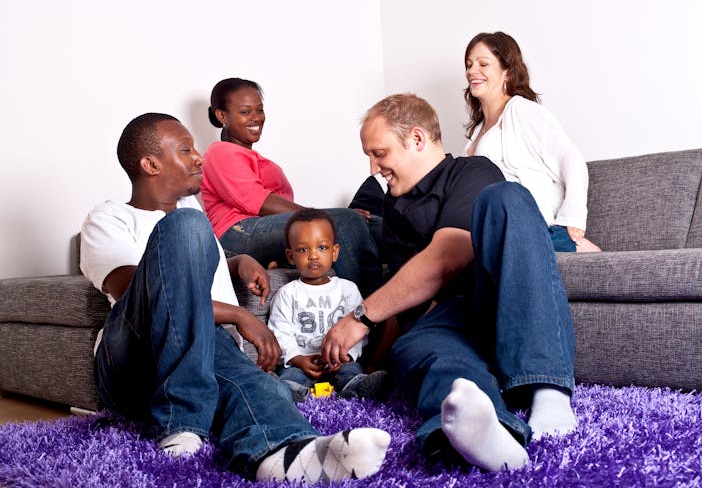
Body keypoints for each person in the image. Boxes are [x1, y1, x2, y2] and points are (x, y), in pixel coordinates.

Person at [79, 112, 389, 484]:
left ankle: (284, 455)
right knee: (185, 226)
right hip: (133, 363)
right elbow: (153, 298)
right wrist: (241, 316)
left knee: (255, 381)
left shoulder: (194, 216)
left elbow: (189, 273)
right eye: (186, 150)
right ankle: (182, 424)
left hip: (207, 353)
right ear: (150, 164)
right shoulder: (109, 219)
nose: (199, 158)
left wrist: (236, 261)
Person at [321, 94, 577, 472]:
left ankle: (549, 394)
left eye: (380, 153)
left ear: (418, 139)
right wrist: (373, 365)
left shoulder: (473, 172)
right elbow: (401, 293)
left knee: (506, 197)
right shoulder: (394, 203)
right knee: (431, 358)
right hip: (439, 324)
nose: (374, 167)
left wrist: (359, 318)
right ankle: (490, 433)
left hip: (491, 302)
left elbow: (446, 259)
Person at [200, 77, 382, 295]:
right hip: (236, 234)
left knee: (377, 224)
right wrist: (325, 215)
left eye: (259, 110)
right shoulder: (220, 152)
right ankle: (372, 314)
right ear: (222, 116)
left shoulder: (258, 160)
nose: (256, 118)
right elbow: (256, 200)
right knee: (344, 221)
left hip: (261, 229)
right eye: (246, 112)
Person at [463, 31, 601, 253]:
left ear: (507, 72)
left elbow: (570, 157)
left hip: (529, 226)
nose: (472, 71)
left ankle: (567, 245)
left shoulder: (522, 111)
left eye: (483, 64)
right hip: (489, 227)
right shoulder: (477, 131)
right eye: (469, 65)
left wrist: (573, 218)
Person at [268, 208, 389, 402]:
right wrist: (296, 359)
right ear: (291, 256)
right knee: (290, 379)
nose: (313, 256)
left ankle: (358, 387)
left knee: (351, 373)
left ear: (335, 252)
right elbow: (279, 332)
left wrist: (346, 355)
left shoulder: (347, 290)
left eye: (322, 248)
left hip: (339, 361)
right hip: (303, 361)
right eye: (303, 249)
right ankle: (296, 394)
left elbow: (360, 331)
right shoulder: (287, 293)